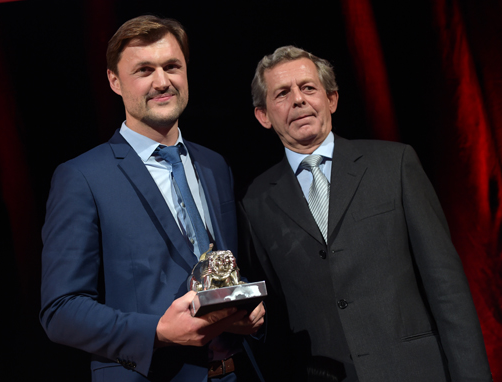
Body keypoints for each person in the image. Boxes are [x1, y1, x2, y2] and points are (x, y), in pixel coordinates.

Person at [239, 45, 492, 381]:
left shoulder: (395, 164)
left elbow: (447, 288)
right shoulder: (255, 200)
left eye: (308, 88)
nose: (298, 100)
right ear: (263, 116)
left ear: (331, 99)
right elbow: (274, 317)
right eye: (282, 93)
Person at [40, 15, 264, 382]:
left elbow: (220, 270)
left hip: (231, 373)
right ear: (114, 81)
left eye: (172, 66)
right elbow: (60, 311)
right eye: (144, 70)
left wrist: (245, 312)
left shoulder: (214, 165)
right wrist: (156, 333)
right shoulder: (82, 177)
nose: (162, 81)